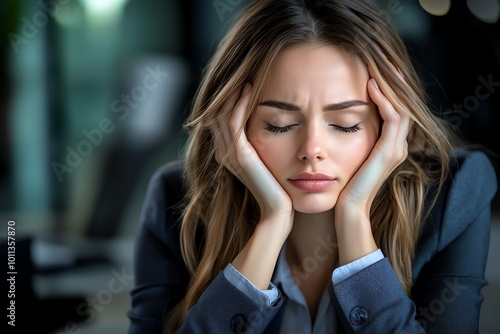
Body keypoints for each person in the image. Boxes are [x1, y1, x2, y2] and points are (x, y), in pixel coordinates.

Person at [127, 0, 498, 333]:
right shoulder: (173, 199)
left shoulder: (454, 193)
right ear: (232, 124)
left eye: (346, 123)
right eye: (278, 124)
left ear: (390, 123)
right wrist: (270, 224)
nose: (311, 150)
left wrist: (354, 217)